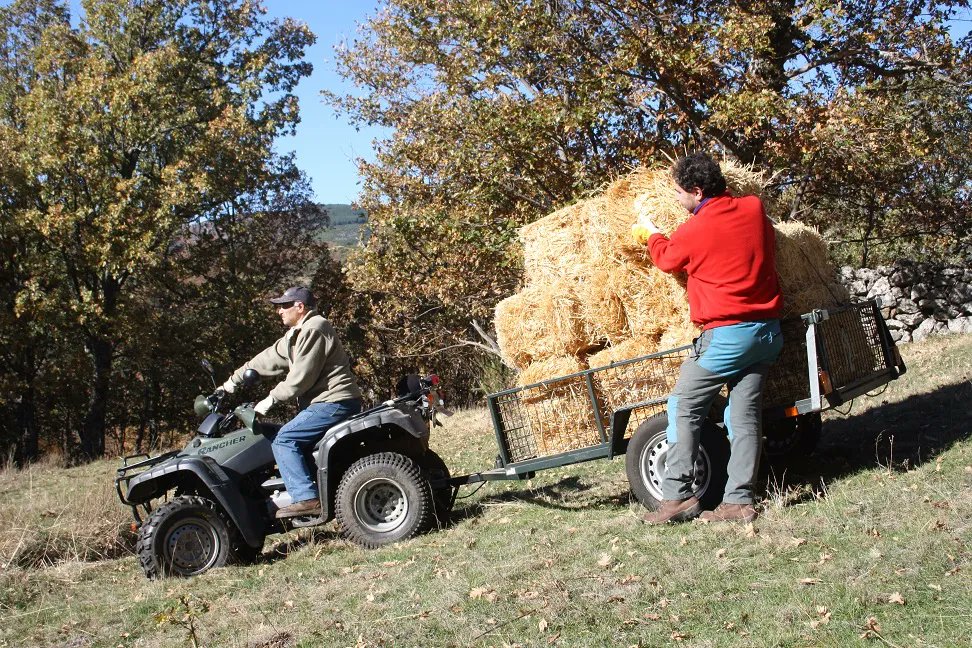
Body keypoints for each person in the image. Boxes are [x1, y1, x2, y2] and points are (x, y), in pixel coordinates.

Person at [631, 153, 784, 524]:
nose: (677, 199)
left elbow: (667, 259)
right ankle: (739, 502)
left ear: (697, 191)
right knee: (743, 416)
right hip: (767, 332)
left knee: (683, 406)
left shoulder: (694, 230)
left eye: (679, 192)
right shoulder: (753, 207)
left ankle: (677, 495)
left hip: (728, 336)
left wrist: (650, 234)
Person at [221, 286, 363, 519]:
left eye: (284, 306)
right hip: (324, 403)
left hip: (334, 401)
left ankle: (307, 498)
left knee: (284, 440)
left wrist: (270, 399)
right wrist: (231, 382)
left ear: (300, 306)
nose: (279, 311)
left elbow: (301, 378)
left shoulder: (314, 328)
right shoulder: (296, 334)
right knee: (270, 434)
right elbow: (267, 359)